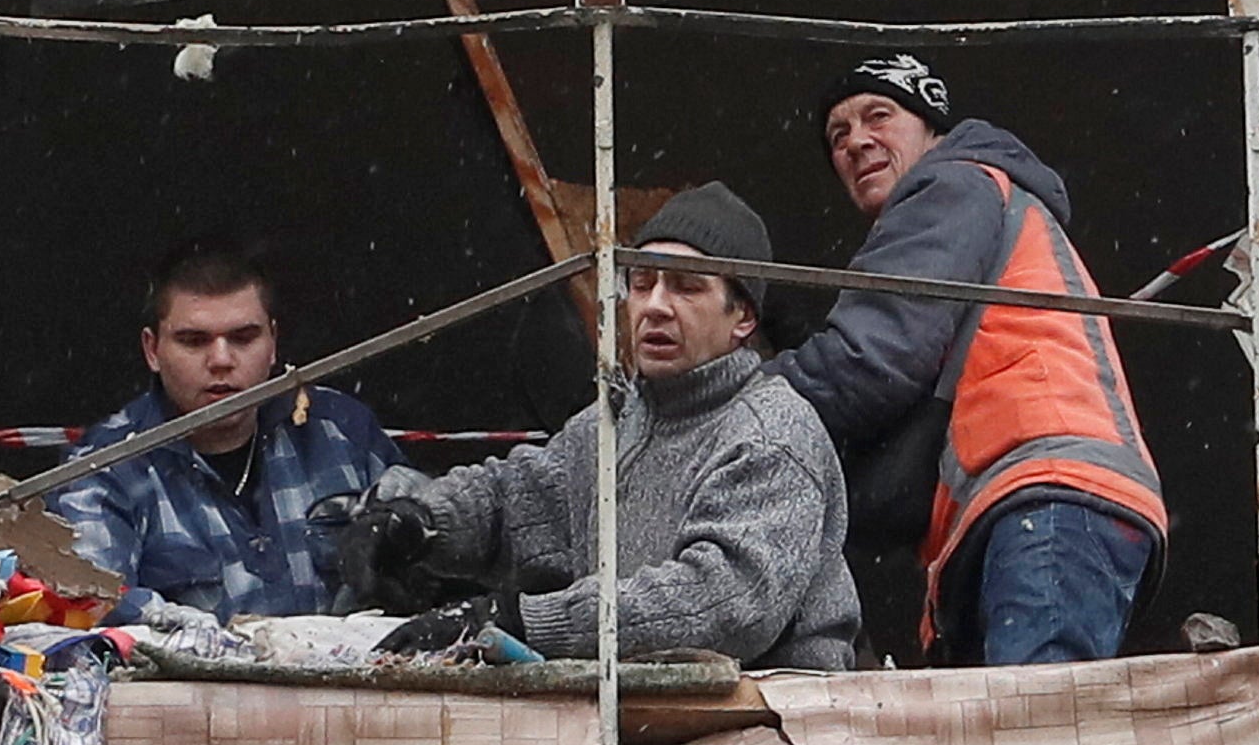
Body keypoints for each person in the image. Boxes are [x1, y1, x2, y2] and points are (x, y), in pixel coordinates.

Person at [348, 187, 859, 672]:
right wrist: (418, 523)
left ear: (743, 317)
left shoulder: (772, 432)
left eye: (685, 286)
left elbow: (725, 604)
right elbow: (516, 502)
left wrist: (518, 620)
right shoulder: (614, 422)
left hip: (774, 730)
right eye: (641, 283)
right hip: (646, 722)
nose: (656, 305)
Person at [774, 49, 1169, 665]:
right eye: (837, 134)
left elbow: (870, 360)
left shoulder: (952, 183)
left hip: (1043, 495)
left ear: (931, 126)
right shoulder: (982, 201)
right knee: (1019, 743)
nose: (855, 141)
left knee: (1030, 740)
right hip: (1038, 508)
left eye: (878, 115)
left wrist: (732, 412)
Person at [52, 240, 391, 616]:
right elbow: (92, 603)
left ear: (273, 342)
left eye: (244, 338)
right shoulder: (101, 469)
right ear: (152, 350)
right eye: (194, 341)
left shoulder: (343, 429)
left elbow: (435, 561)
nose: (222, 360)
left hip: (356, 673)